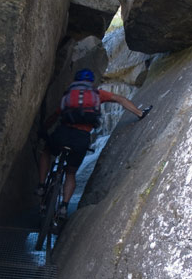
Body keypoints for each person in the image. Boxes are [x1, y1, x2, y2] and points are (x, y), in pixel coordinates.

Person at [36, 68, 152, 218]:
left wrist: (42, 130)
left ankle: (40, 184)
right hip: (81, 138)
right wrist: (140, 113)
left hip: (62, 133)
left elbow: (55, 115)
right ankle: (64, 207)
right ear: (91, 82)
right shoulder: (97, 94)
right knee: (71, 173)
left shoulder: (70, 95)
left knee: (46, 151)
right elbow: (120, 99)